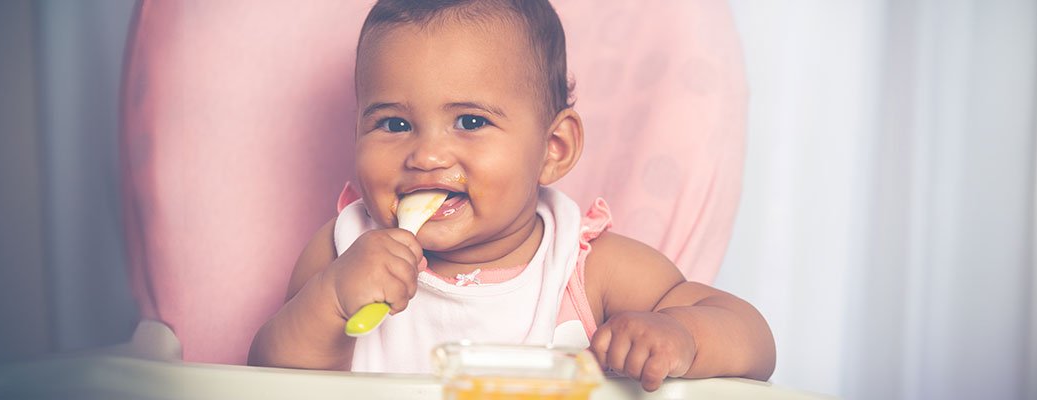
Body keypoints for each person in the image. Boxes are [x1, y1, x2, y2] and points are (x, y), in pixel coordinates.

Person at [248, 0, 774, 391]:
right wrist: (333, 301)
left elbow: (752, 339)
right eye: (394, 123)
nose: (427, 155)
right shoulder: (343, 251)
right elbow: (266, 380)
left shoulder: (585, 267)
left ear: (553, 147)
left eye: (470, 121)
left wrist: (678, 334)